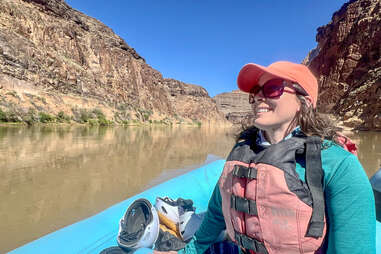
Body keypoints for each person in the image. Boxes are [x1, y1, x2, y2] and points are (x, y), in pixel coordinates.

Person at [158, 61, 376, 254]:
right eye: (256, 91)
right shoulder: (243, 152)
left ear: (304, 101)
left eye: (272, 88)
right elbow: (217, 211)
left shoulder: (338, 166)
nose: (259, 97)